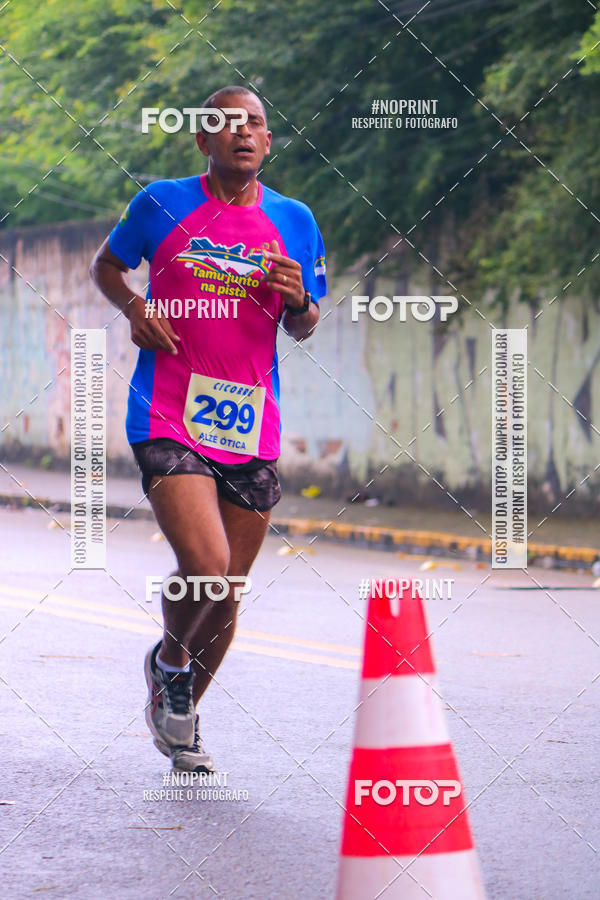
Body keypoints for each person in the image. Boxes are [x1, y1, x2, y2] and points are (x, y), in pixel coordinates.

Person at [90, 85, 327, 773]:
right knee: (208, 566)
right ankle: (168, 663)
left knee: (226, 593)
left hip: (250, 422)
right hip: (167, 410)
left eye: (256, 123)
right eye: (228, 125)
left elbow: (306, 322)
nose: (243, 134)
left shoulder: (295, 219)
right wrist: (133, 306)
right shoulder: (161, 201)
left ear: (268, 141)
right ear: (204, 141)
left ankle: (183, 714)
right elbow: (108, 266)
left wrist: (299, 301)